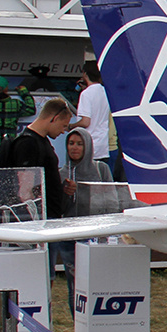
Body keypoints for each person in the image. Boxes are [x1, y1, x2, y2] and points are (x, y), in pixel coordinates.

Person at [56, 129, 114, 312]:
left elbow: (111, 199)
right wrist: (66, 194)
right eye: (71, 143)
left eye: (79, 144)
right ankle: (77, 319)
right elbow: (59, 208)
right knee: (74, 282)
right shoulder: (61, 173)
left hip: (95, 233)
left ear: (87, 146)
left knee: (97, 279)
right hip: (69, 235)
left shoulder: (100, 169)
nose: (74, 148)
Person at [72, 60, 112, 171]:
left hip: (88, 145)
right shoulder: (105, 92)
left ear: (85, 73)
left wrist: (70, 126)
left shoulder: (86, 94)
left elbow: (85, 122)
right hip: (103, 145)